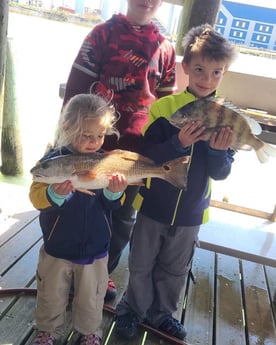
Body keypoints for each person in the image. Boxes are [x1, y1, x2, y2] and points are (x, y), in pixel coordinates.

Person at [114, 23, 237, 340]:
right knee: (140, 263)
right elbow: (148, 154)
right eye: (199, 69)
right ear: (185, 67)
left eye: (216, 73)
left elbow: (221, 173)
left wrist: (218, 152)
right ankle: (131, 310)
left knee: (175, 269)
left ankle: (163, 315)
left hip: (191, 213)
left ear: (224, 74)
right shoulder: (164, 108)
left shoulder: (224, 116)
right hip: (153, 206)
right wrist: (178, 142)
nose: (206, 79)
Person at [62, 0, 177, 301]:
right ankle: (68, 265)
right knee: (79, 208)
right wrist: (65, 143)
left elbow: (166, 110)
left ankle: (103, 272)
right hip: (90, 149)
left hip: (134, 156)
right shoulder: (100, 35)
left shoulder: (165, 48)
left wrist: (166, 150)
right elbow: (75, 94)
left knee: (122, 218)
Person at [29, 94, 128, 345]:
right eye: (87, 135)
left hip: (95, 247)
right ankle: (47, 330)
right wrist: (53, 194)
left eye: (100, 135)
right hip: (57, 247)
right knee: (50, 293)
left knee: (92, 296)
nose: (95, 142)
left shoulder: (107, 162)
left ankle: (90, 331)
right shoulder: (52, 162)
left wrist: (114, 192)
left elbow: (114, 205)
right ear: (67, 128)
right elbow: (36, 196)